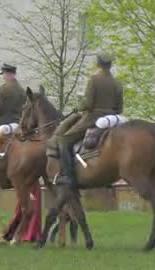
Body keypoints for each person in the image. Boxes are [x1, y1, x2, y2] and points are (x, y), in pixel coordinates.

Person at [47, 52, 123, 187]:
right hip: (113, 118)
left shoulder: (94, 80)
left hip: (93, 117)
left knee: (64, 140)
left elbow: (88, 104)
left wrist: (78, 107)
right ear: (110, 65)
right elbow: (120, 108)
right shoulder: (117, 83)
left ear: (98, 64)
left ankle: (68, 176)